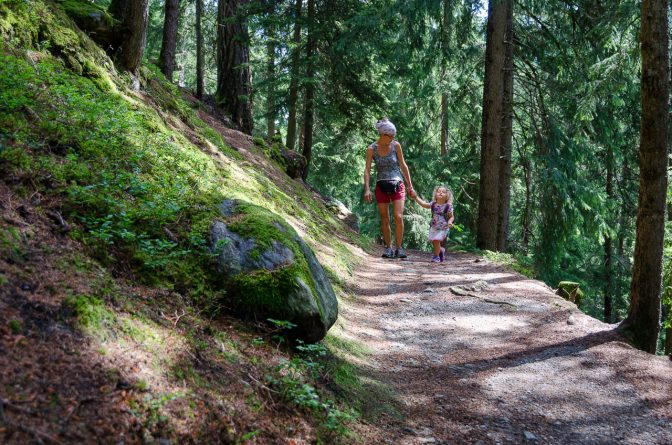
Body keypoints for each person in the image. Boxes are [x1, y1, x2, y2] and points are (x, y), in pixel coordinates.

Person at [363, 118, 416, 259]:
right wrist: (367, 189)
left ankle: (399, 248)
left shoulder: (395, 145)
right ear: (382, 134)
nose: (393, 138)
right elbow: (367, 170)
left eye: (393, 136)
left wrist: (410, 186)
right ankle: (388, 248)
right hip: (381, 185)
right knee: (384, 218)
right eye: (391, 136)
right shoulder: (371, 149)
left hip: (398, 184)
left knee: (398, 217)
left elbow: (403, 165)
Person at [412, 185, 454, 262]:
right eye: (439, 191)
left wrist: (450, 222)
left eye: (443, 192)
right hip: (434, 227)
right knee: (434, 242)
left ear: (447, 196)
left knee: (436, 240)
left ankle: (436, 256)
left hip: (443, 228)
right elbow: (423, 204)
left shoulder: (448, 206)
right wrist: (415, 197)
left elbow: (451, 217)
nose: (441, 193)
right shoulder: (433, 204)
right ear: (435, 194)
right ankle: (441, 251)